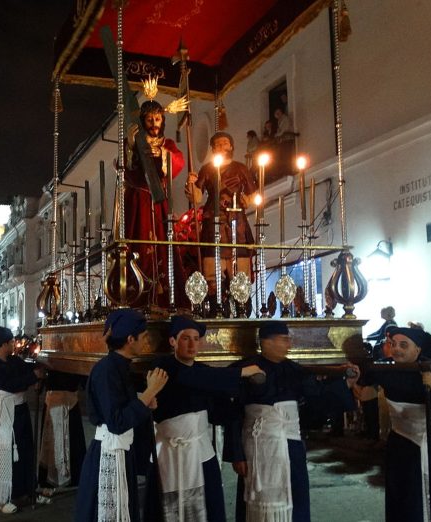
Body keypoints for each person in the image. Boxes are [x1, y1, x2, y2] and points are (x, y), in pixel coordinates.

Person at [223, 321, 360, 522]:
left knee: (296, 498)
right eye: (284, 340)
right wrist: (236, 453)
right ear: (266, 343)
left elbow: (318, 396)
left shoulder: (296, 370)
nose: (289, 344)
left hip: (291, 445)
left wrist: (346, 384)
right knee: (255, 498)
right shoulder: (244, 369)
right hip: (257, 447)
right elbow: (234, 414)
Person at [145, 316, 264, 522]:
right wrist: (243, 372)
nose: (192, 344)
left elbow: (220, 405)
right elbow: (192, 379)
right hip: (169, 454)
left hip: (200, 452)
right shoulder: (163, 367)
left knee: (209, 507)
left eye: (196, 338)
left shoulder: (205, 373)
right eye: (185, 338)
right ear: (172, 341)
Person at [75, 308, 169, 522]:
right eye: (143, 337)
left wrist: (145, 402)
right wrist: (149, 393)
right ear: (130, 339)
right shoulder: (107, 370)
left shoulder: (120, 366)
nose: (146, 342)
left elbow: (125, 408)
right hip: (108, 454)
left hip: (121, 452)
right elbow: (117, 422)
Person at [361, 326, 431, 521]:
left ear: (418, 350)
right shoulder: (387, 369)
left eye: (403, 345)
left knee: (419, 497)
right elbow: (365, 380)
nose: (396, 349)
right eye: (393, 344)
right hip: (399, 443)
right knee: (399, 497)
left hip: (426, 445)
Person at [125, 97, 185, 307]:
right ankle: (138, 291)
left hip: (158, 200)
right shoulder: (133, 141)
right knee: (139, 243)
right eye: (149, 119)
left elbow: (178, 162)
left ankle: (164, 294)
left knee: (162, 243)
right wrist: (131, 147)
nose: (154, 123)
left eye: (157, 118)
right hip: (139, 201)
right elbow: (125, 171)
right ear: (143, 121)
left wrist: (162, 154)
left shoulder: (167, 144)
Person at [186, 132, 257, 302]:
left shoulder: (240, 168)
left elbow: (254, 194)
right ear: (212, 148)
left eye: (225, 143)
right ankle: (214, 301)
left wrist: (247, 200)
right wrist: (191, 182)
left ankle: (240, 305)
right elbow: (196, 197)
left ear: (231, 146)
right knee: (212, 272)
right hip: (213, 221)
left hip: (236, 222)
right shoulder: (207, 169)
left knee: (239, 273)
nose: (221, 146)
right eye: (217, 144)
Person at [0, 326, 45, 514]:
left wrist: (37, 371)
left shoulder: (13, 360)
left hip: (21, 408)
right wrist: (31, 377)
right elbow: (9, 385)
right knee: (7, 452)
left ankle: (27, 490)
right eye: (11, 342)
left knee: (26, 450)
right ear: (3, 344)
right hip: (6, 412)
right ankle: (4, 497)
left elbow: (27, 368)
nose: (14, 345)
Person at [38, 371, 86, 492]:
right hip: (54, 399)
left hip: (70, 400)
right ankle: (49, 480)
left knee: (73, 440)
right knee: (52, 441)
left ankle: (74, 476)